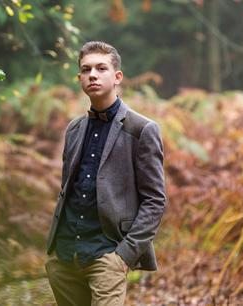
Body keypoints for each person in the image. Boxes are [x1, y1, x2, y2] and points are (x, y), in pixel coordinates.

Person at [45, 41, 167, 306]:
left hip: (107, 256)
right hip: (65, 258)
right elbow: (70, 189)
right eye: (86, 70)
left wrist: (124, 255)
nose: (93, 75)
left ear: (117, 77)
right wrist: (54, 253)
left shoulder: (142, 129)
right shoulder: (74, 129)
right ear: (80, 78)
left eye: (101, 68)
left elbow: (155, 200)